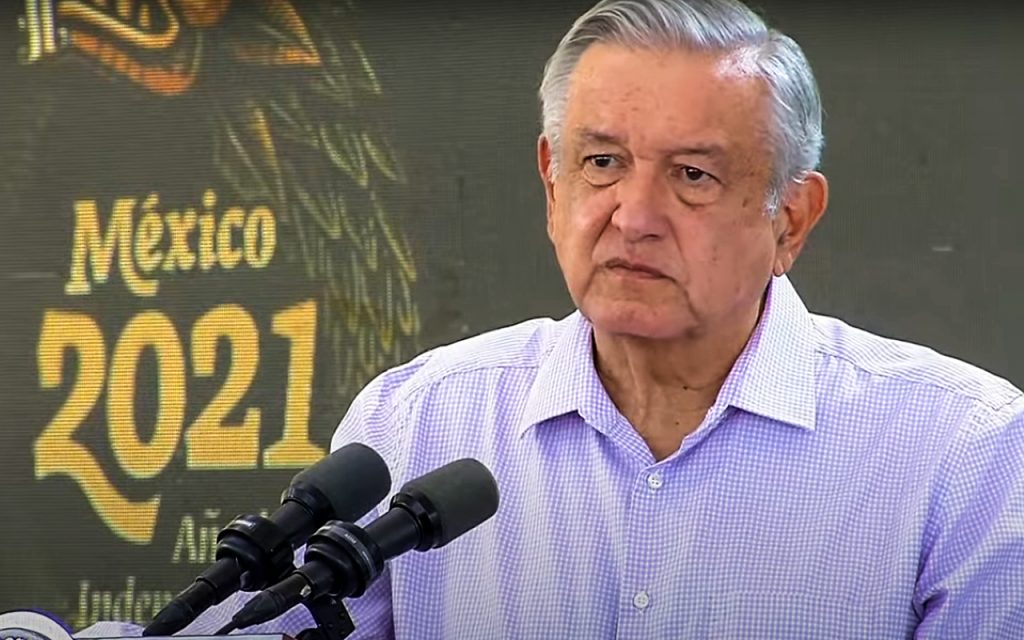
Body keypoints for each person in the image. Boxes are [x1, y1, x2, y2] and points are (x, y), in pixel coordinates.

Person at [80, 0, 1024, 638]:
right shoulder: (419, 421)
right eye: (601, 163)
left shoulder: (963, 455)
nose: (633, 215)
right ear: (551, 184)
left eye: (693, 175)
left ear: (791, 219)